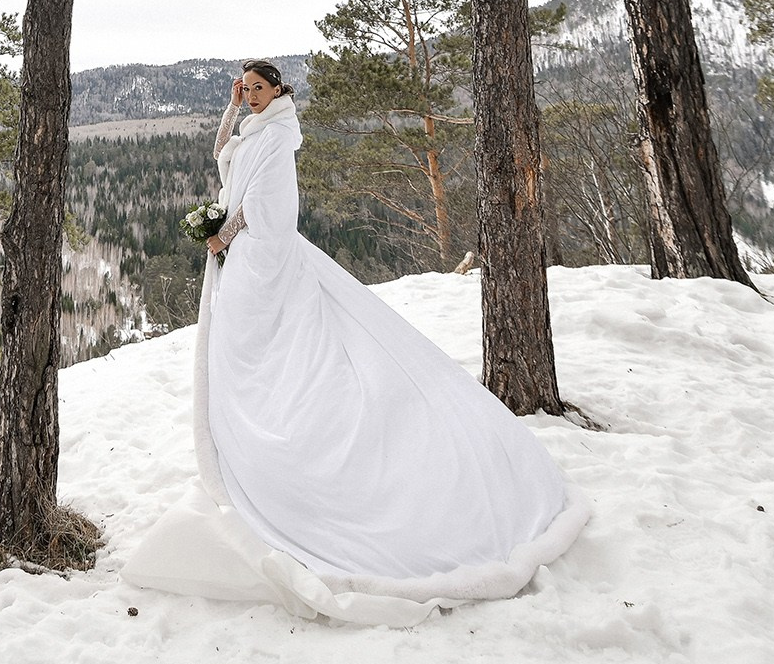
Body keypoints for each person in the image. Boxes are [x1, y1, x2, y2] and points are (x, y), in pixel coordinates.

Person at [121, 60, 588, 626]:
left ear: (279, 91)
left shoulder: (278, 137)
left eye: (258, 88)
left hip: (261, 258)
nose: (250, 96)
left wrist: (226, 232)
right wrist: (229, 104)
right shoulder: (250, 126)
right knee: (247, 358)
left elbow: (268, 209)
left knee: (293, 357)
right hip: (238, 262)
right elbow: (223, 155)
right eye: (245, 88)